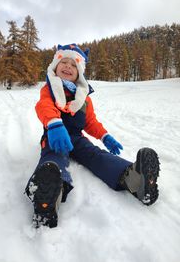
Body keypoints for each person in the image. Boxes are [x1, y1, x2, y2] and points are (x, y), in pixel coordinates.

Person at [25, 43, 160, 228]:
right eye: (63, 62)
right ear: (55, 66)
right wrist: (54, 124)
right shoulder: (49, 88)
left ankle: (134, 179)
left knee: (96, 155)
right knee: (53, 159)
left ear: (79, 72)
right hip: (54, 135)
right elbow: (44, 106)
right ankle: (48, 197)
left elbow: (90, 123)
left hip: (77, 138)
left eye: (73, 65)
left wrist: (105, 136)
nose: (68, 66)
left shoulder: (84, 98)